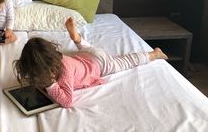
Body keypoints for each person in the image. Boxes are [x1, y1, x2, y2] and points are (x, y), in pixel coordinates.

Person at [13, 17, 168, 108]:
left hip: (99, 64)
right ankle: (76, 38)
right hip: (86, 55)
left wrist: (50, 85)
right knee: (85, 48)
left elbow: (67, 101)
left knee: (124, 62)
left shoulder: (65, 70)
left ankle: (154, 54)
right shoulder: (58, 59)